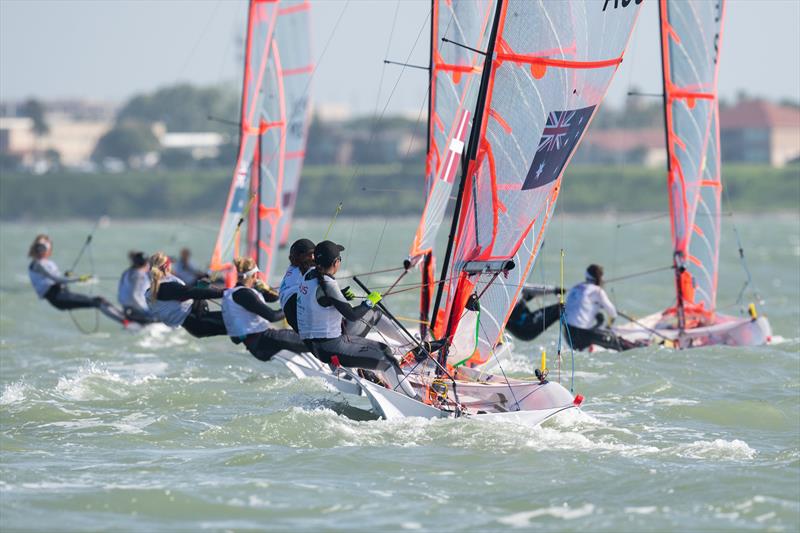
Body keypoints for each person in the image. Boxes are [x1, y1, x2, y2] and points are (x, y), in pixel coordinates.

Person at [296, 240, 418, 397]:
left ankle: (413, 348)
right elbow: (352, 315)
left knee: (373, 313)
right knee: (386, 356)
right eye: (339, 259)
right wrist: (368, 302)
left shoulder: (308, 275)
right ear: (335, 262)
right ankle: (414, 399)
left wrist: (339, 297)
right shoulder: (327, 284)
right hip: (331, 347)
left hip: (317, 346)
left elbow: (319, 301)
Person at [27, 234, 128, 325]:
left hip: (62, 294)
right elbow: (56, 279)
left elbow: (58, 278)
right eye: (39, 247)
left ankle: (126, 318)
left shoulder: (46, 262)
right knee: (98, 302)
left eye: (44, 247)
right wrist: (79, 279)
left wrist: (67, 276)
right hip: (58, 297)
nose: (41, 250)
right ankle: (126, 322)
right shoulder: (37, 264)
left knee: (100, 300)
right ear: (35, 248)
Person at [222, 256, 307, 361]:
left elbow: (274, 297)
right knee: (314, 339)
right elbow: (272, 316)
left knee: (306, 337)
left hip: (258, 345)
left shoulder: (237, 292)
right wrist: (291, 308)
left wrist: (266, 289)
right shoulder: (244, 294)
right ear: (255, 274)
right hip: (265, 341)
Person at [146, 252, 227, 338]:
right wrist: (225, 292)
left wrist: (200, 288)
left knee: (240, 324)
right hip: (200, 322)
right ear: (167, 267)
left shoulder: (153, 290)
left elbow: (189, 294)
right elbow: (191, 293)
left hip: (196, 322)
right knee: (239, 321)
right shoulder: (166, 287)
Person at [564, 264, 641, 351]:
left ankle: (593, 339)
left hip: (568, 335)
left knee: (599, 317)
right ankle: (636, 347)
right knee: (618, 342)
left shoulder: (575, 288)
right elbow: (613, 314)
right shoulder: (597, 291)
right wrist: (608, 327)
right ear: (600, 277)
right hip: (581, 336)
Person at [279, 238, 316, 333]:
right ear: (298, 258)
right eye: (309, 255)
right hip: (295, 311)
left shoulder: (292, 268)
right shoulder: (302, 271)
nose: (313, 257)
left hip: (294, 316)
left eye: (314, 254)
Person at [117, 251, 156, 324]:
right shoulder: (139, 275)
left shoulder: (127, 272)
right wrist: (145, 311)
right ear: (146, 264)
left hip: (125, 307)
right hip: (137, 309)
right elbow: (133, 295)